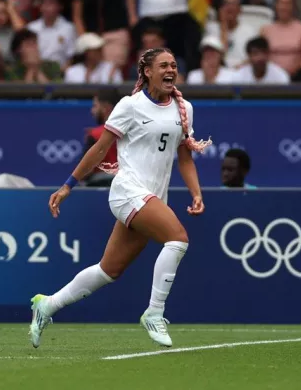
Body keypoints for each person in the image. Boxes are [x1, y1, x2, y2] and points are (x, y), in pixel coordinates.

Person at [30, 47, 212, 349]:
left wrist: (196, 193)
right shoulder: (130, 105)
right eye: (163, 65)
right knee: (178, 239)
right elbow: (100, 149)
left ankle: (46, 306)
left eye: (174, 65)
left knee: (108, 270)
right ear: (147, 72)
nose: (171, 70)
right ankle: (154, 313)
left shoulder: (184, 109)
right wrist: (68, 186)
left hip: (153, 198)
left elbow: (184, 157)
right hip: (127, 191)